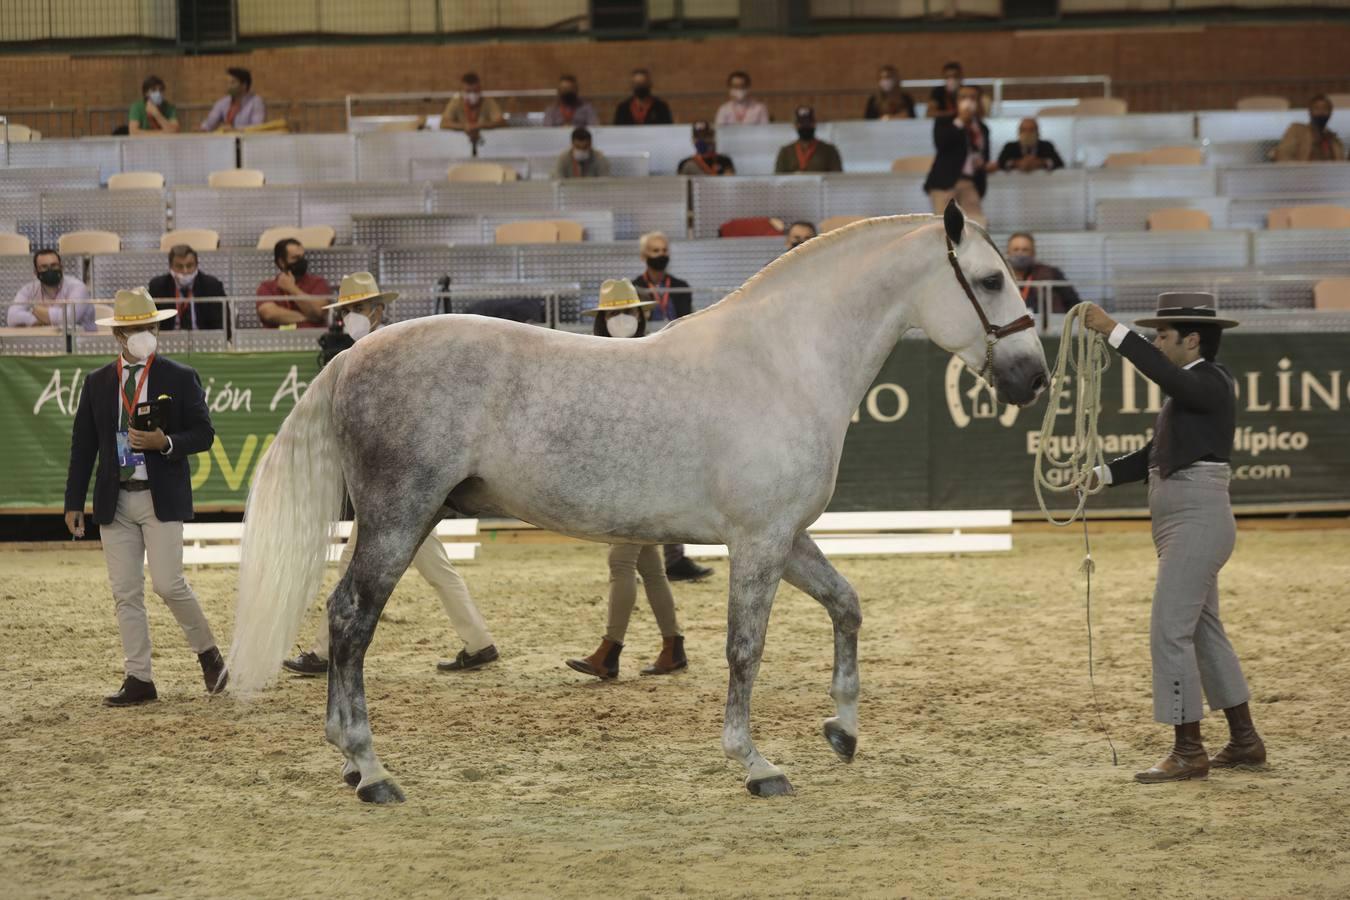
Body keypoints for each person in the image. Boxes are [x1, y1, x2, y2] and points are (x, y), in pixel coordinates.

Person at [1083, 293, 1265, 784]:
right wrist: (1101, 475)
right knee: (1203, 631)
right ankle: (1244, 740)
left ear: (1192, 339)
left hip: (1195, 520)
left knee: (1169, 629)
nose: (1156, 341)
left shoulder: (1211, 381)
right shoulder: (1191, 392)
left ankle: (1188, 749)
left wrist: (1113, 331)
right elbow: (1154, 452)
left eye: (1162, 334)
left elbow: (1164, 377)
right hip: (1185, 520)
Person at [281, 273, 499, 676]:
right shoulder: (356, 352)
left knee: (359, 563)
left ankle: (325, 651)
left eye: (358, 309)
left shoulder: (399, 351)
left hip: (397, 480)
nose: (351, 317)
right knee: (427, 565)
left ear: (379, 311)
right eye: (346, 310)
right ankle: (478, 641)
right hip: (394, 483)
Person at [64, 287, 227, 706]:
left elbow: (204, 434)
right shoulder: (98, 382)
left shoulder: (179, 375)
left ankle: (209, 654)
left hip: (161, 495)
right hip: (113, 499)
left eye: (149, 325)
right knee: (125, 591)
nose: (146, 333)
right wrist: (72, 502)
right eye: (136, 328)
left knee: (168, 583)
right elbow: (83, 446)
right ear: (119, 336)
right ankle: (139, 677)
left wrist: (165, 442)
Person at [565, 279, 690, 680]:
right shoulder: (598, 360)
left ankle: (610, 650)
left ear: (641, 315)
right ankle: (673, 646)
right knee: (650, 567)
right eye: (613, 314)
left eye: (628, 312)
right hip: (625, 475)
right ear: (603, 320)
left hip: (647, 474)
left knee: (621, 560)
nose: (622, 320)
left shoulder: (656, 358)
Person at [923, 84, 990, 226]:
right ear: (956, 101)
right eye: (963, 97)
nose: (968, 101)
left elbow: (985, 154)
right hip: (945, 183)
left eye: (973, 98)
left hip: (970, 182)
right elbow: (941, 143)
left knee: (977, 224)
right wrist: (960, 121)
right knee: (944, 226)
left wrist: (981, 162)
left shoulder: (982, 128)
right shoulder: (944, 121)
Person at [7, 248, 95, 330]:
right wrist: (36, 321)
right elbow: (12, 317)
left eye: (54, 265)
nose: (50, 270)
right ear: (35, 272)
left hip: (81, 342)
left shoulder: (77, 287)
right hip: (46, 341)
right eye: (44, 267)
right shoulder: (28, 289)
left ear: (62, 267)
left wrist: (35, 310)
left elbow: (69, 318)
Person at [147, 244, 226, 331]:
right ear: (171, 267)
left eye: (189, 265)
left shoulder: (212, 286)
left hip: (204, 339)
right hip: (169, 339)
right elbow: (151, 325)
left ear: (196, 265)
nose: (185, 271)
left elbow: (222, 325)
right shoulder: (158, 286)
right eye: (179, 266)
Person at [256, 238, 332, 328]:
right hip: (277, 340)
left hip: (313, 339)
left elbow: (319, 312)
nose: (302, 261)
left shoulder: (318, 283)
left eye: (302, 257)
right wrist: (308, 317)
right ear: (281, 262)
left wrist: (292, 289)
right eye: (296, 258)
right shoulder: (266, 287)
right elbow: (269, 314)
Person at [1006, 233, 1080, 314]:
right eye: (1016, 249)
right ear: (1008, 252)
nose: (1020, 254)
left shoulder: (1050, 273)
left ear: (1033, 253)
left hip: (1047, 325)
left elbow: (1074, 303)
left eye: (1025, 250)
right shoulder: (1002, 277)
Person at [1273, 94, 1346, 162]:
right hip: (1304, 174)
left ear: (1330, 113)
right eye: (1317, 108)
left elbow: (1341, 162)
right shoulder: (1297, 131)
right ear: (1310, 112)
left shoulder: (1333, 139)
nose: (1321, 112)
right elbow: (1282, 155)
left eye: (1325, 108)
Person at [773, 106, 843, 174]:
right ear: (795, 125)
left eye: (808, 122)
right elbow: (778, 179)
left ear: (814, 124)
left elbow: (837, 179)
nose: (805, 126)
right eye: (801, 123)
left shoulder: (829, 151)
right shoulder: (785, 152)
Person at [439, 72, 506, 142]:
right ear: (462, 91)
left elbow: (501, 122)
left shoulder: (488, 102)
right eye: (468, 91)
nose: (472, 94)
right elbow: (444, 123)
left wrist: (479, 126)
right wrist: (464, 126)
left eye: (475, 91)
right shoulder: (456, 102)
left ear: (480, 90)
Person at [200, 67, 266, 132]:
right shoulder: (223, 102)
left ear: (244, 85)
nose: (229, 86)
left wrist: (234, 130)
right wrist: (202, 129)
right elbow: (209, 123)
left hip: (248, 141)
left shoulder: (256, 102)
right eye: (228, 82)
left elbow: (257, 127)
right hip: (226, 141)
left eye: (233, 82)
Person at [995, 118, 1065, 172]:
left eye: (1031, 130)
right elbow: (1000, 163)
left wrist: (1040, 162)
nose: (1027, 134)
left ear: (1038, 132)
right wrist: (1017, 163)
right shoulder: (1010, 147)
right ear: (1019, 133)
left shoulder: (1046, 146)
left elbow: (1059, 163)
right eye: (1024, 130)